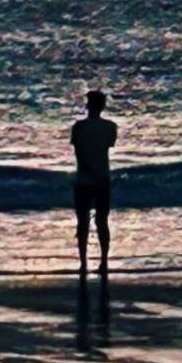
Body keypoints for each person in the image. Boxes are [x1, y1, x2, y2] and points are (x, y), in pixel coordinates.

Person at [70, 85, 118, 273]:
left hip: (83, 178)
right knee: (102, 221)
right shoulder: (110, 127)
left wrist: (87, 169)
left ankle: (83, 263)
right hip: (102, 178)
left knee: (83, 222)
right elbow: (108, 147)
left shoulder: (78, 127)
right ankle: (104, 262)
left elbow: (78, 153)